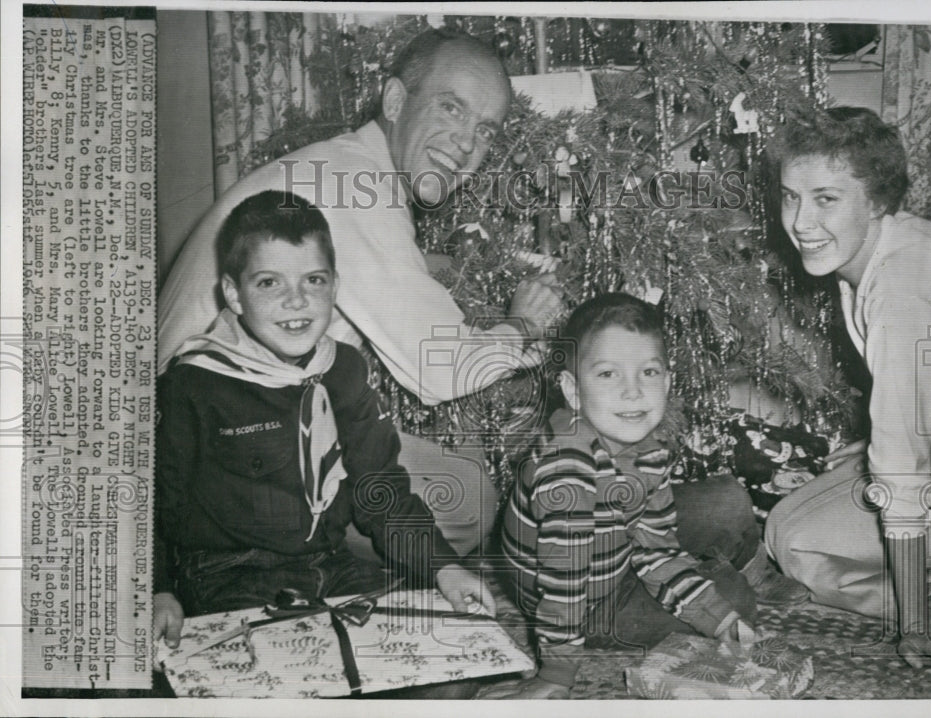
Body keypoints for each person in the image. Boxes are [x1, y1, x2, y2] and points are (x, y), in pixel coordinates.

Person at [156, 28, 566, 558]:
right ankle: (291, 574)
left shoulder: (345, 166)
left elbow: (370, 276)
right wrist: (524, 327)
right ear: (395, 101)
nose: (466, 144)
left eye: (485, 131)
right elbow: (439, 367)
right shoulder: (356, 183)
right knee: (465, 502)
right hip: (203, 453)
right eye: (450, 109)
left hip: (240, 419)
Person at [152, 191, 495, 652]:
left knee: (444, 650)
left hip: (329, 564)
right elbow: (156, 500)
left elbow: (382, 492)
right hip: (228, 575)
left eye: (313, 280)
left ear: (334, 285)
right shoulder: (194, 383)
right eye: (269, 283)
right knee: (290, 669)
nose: (296, 301)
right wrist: (157, 589)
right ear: (233, 293)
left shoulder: (344, 369)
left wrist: (444, 568)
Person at [487, 294, 808, 699]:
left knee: (727, 498)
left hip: (612, 545)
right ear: (572, 390)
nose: (633, 393)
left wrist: (718, 620)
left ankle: (743, 568)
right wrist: (556, 675)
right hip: (583, 596)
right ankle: (722, 575)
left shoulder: (645, 445)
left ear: (667, 381)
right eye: (607, 375)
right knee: (732, 596)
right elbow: (563, 585)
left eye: (648, 372)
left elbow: (656, 551)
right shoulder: (565, 475)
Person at [764, 106, 931, 673]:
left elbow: (902, 465)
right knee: (790, 525)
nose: (801, 221)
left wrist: (912, 632)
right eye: (790, 196)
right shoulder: (884, 246)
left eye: (826, 199)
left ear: (877, 199)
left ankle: (918, 608)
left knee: (797, 542)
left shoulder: (902, 286)